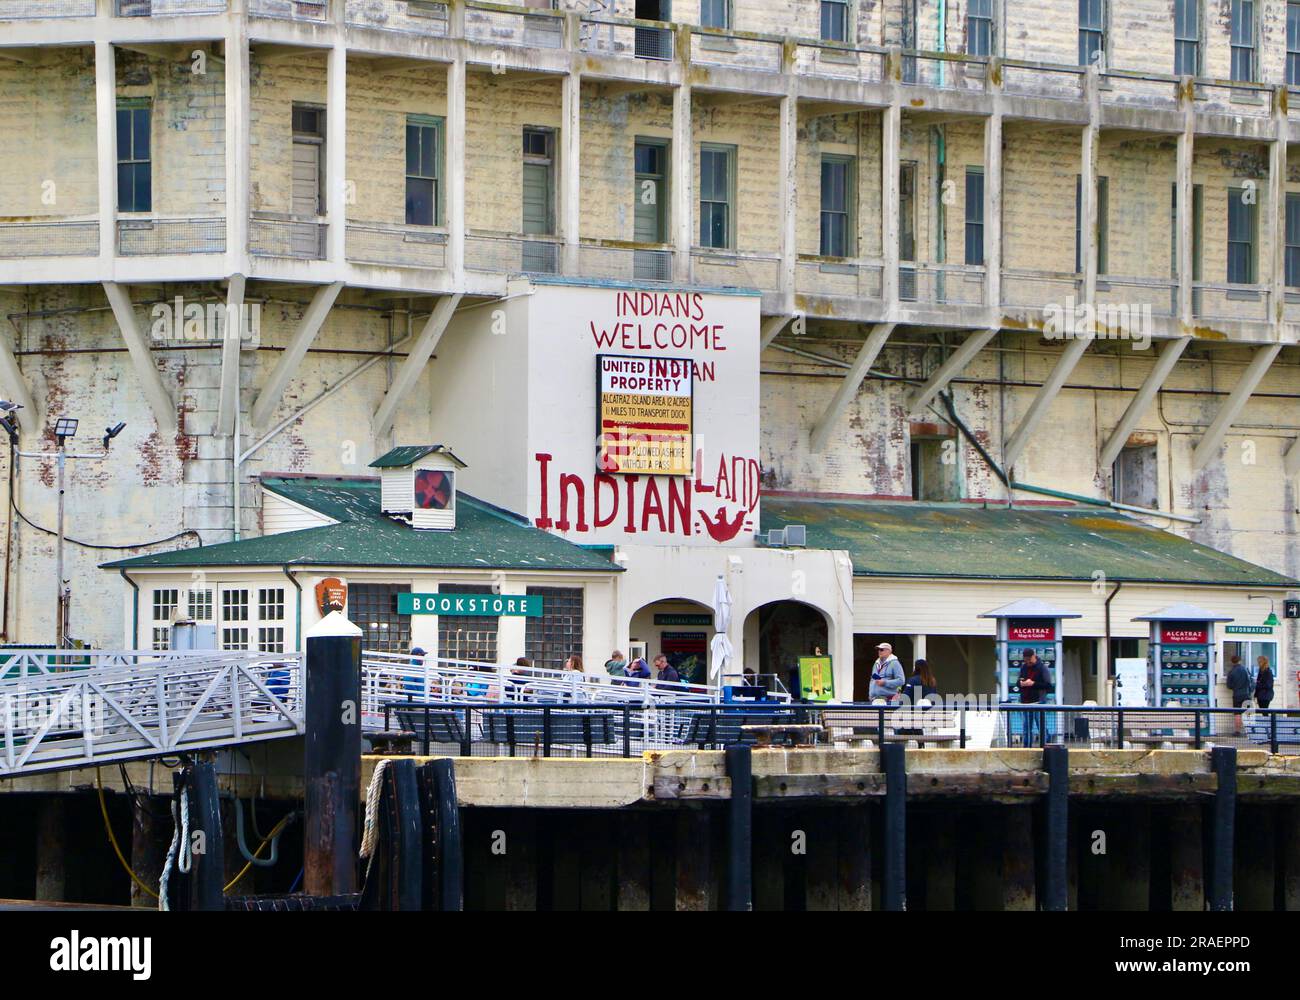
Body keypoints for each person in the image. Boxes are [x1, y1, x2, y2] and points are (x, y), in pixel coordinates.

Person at [1016, 649, 1053, 746]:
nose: (1028, 662)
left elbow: (1048, 685)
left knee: (1041, 726)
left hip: (1038, 702)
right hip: (1025, 702)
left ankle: (1045, 747)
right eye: (1026, 660)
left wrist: (1033, 684)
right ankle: (1027, 748)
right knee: (1026, 728)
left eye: (1029, 659)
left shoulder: (1042, 668)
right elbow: (1018, 682)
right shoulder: (1023, 667)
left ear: (1034, 656)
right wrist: (1021, 683)